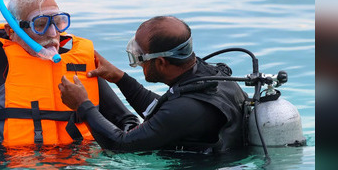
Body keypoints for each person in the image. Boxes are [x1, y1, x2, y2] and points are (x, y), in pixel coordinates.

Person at [0, 0, 137, 146]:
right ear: (11, 31)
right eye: (40, 24)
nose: (52, 33)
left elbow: (128, 122)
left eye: (59, 22)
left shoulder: (80, 66)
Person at [58, 15, 247, 154]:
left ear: (161, 62)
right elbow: (161, 112)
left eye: (140, 58)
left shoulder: (184, 109)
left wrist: (83, 106)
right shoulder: (214, 77)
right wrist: (120, 78)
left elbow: (121, 145)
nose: (139, 64)